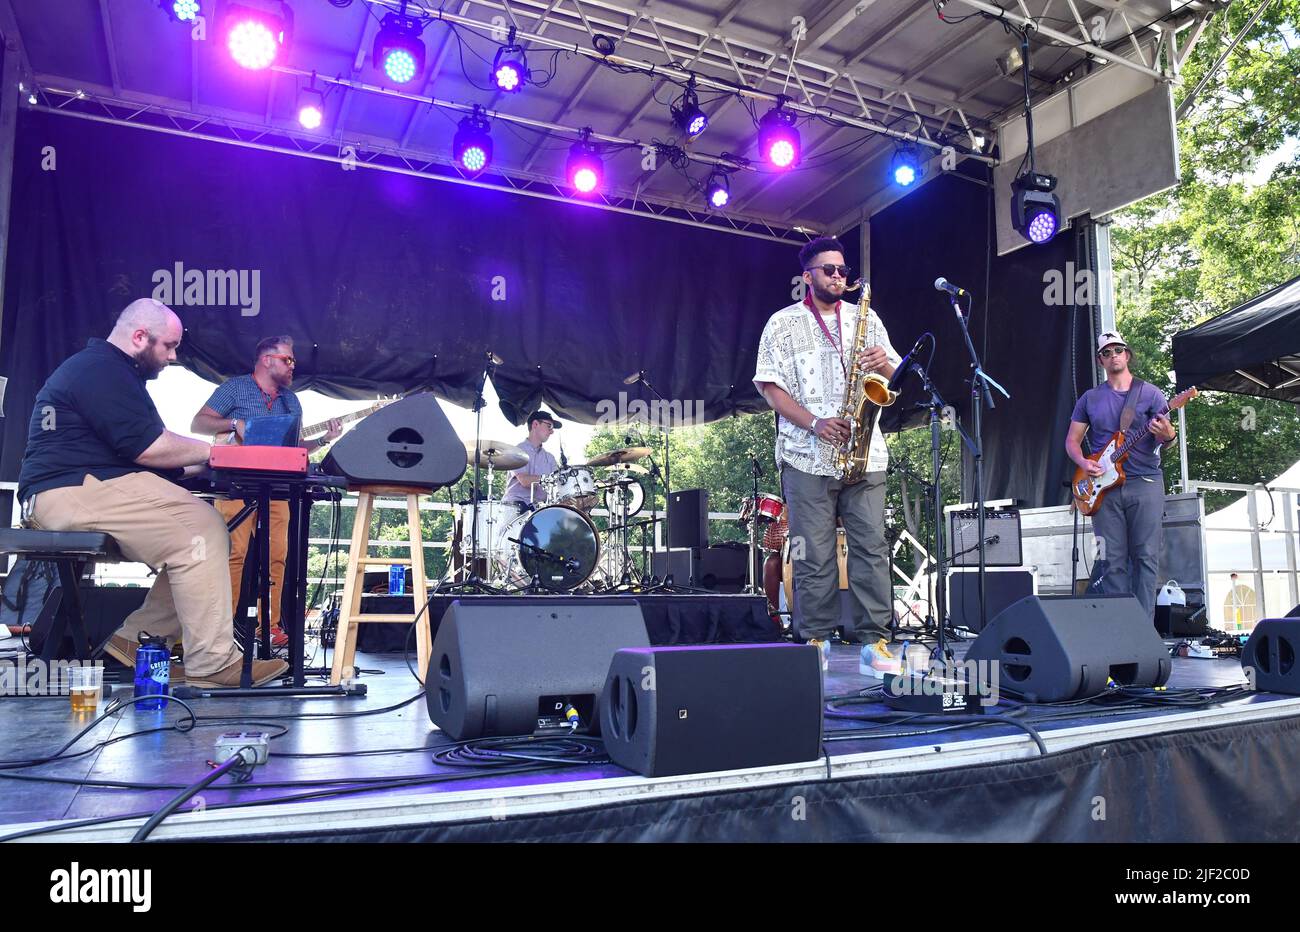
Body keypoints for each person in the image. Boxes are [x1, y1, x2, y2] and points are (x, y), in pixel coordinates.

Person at [17, 299, 288, 687]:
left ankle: (137, 638)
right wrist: (220, 452)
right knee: (202, 529)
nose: (174, 356)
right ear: (140, 336)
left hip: (84, 486)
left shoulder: (113, 373)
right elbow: (149, 446)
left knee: (206, 536)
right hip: (68, 491)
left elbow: (144, 453)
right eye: (168, 346)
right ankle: (212, 664)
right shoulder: (101, 369)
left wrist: (204, 462)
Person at [753, 236, 903, 676]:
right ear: (808, 277)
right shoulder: (781, 324)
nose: (839, 277)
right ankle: (815, 638)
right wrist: (815, 423)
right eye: (829, 271)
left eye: (843, 270)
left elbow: (897, 376)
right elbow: (769, 387)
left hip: (865, 452)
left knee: (871, 548)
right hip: (807, 453)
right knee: (814, 553)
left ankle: (874, 641)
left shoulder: (867, 318)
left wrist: (886, 364)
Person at [190, 336, 341, 648]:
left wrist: (325, 439)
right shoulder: (235, 388)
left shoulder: (292, 401)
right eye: (287, 359)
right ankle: (221, 629)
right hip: (236, 486)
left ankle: (268, 627)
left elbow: (295, 448)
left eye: (293, 361)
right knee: (232, 553)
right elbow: (198, 423)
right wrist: (235, 424)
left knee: (277, 558)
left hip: (278, 488)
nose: (292, 366)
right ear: (266, 360)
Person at [1065, 331, 1176, 622]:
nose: (1113, 355)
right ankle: (1119, 628)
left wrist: (1169, 435)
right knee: (1111, 560)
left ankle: (1142, 629)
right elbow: (1072, 441)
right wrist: (1083, 463)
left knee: (1145, 557)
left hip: (1145, 482)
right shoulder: (1090, 398)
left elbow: (1167, 435)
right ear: (1100, 359)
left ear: (1127, 355)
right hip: (1104, 488)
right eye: (1107, 352)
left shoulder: (1150, 393)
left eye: (1118, 350)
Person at [501, 410, 563, 512]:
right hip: (514, 509)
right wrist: (549, 479)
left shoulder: (550, 458)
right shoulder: (518, 451)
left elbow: (557, 487)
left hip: (539, 511)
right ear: (535, 424)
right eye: (549, 426)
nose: (552, 431)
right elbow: (525, 481)